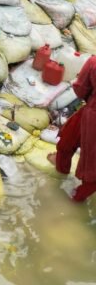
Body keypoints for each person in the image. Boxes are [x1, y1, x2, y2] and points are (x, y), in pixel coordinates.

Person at [49, 55, 96, 202]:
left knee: (68, 143)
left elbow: (80, 89)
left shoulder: (93, 62)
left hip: (92, 112)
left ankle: (73, 197)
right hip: (90, 112)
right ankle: (75, 196)